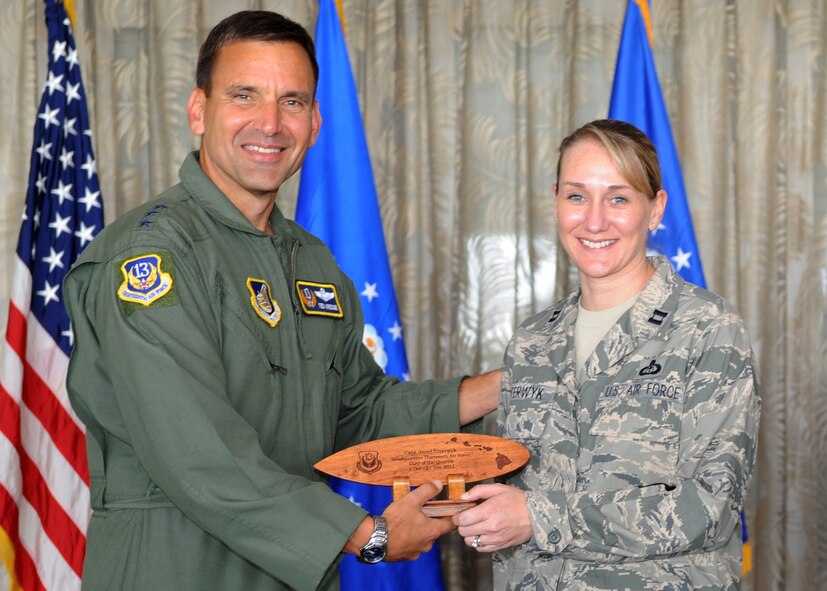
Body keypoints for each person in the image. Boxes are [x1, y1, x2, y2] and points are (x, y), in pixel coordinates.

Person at [63, 10, 499, 591]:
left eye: (292, 102)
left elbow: (358, 411)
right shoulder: (152, 258)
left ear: (315, 122)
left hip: (292, 573)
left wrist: (508, 383)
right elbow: (200, 452)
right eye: (244, 95)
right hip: (175, 567)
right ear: (199, 110)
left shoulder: (311, 261)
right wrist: (368, 536)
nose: (269, 123)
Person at [453, 119, 761, 590]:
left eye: (619, 198)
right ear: (555, 201)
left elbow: (711, 508)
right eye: (577, 196)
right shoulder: (532, 341)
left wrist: (540, 517)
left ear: (654, 209)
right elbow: (516, 489)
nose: (594, 220)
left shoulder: (708, 329)